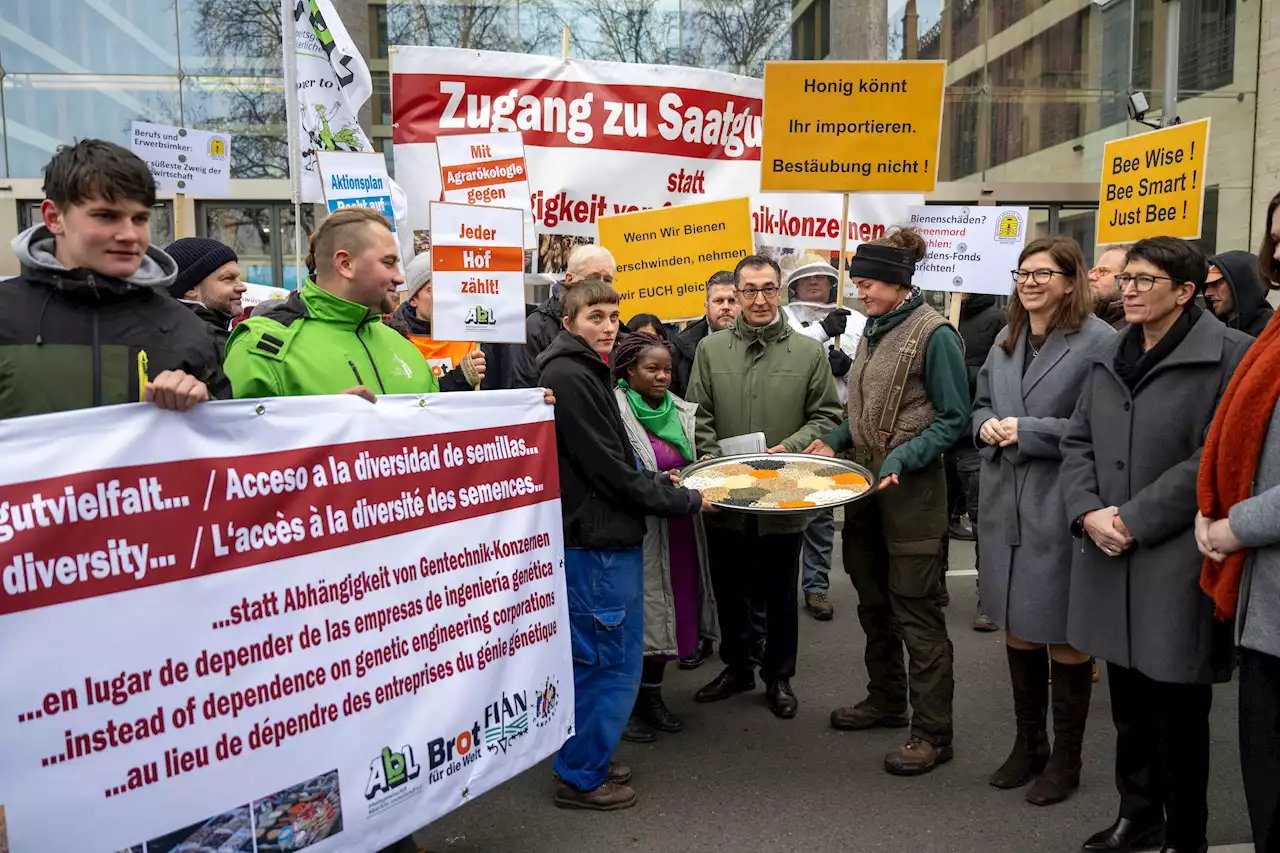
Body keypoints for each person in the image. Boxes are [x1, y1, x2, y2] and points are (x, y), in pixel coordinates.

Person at [1060, 236, 1251, 853]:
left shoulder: (1230, 357)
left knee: (1177, 709)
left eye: (1146, 280)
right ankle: (1137, 813)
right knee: (1128, 705)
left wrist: (1134, 518)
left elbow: (1214, 459)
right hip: (1108, 546)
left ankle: (1184, 834)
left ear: (1186, 292)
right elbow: (1077, 441)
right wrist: (1088, 510)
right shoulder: (1110, 351)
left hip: (1172, 555)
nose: (1131, 288)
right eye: (1129, 278)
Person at [536, 280, 708, 811]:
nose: (609, 325)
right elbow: (608, 471)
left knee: (605, 659)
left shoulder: (588, 369)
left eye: (614, 316)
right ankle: (582, 777)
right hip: (596, 543)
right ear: (569, 321)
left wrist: (663, 486)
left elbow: (621, 463)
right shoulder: (568, 373)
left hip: (606, 536)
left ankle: (588, 755)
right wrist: (685, 502)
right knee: (606, 664)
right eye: (595, 316)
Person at [806, 228, 968, 777]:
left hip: (914, 493)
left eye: (868, 283)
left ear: (899, 285)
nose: (860, 292)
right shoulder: (874, 329)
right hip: (866, 490)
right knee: (872, 601)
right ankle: (886, 700)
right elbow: (866, 412)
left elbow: (953, 419)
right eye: (858, 282)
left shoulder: (935, 333)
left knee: (916, 609)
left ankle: (932, 732)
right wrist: (836, 437)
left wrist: (904, 456)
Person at [971, 237, 1114, 806]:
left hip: (1059, 504)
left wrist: (1026, 431)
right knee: (1017, 623)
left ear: (1070, 278)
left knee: (1064, 631)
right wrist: (985, 426)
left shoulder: (1099, 341)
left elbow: (1100, 424)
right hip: (1004, 501)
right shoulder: (1006, 340)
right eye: (1023, 272)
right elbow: (982, 402)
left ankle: (1067, 758)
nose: (1029, 282)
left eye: (1043, 273)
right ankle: (1027, 743)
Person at [687, 254, 843, 719]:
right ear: (735, 294)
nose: (759, 298)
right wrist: (718, 465)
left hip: (784, 493)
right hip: (728, 492)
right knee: (730, 588)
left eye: (768, 288)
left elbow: (827, 416)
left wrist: (785, 449)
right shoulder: (710, 351)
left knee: (778, 593)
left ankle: (779, 675)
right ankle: (737, 667)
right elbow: (698, 417)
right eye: (749, 290)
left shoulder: (808, 353)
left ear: (781, 292)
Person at [1, 139, 227, 417]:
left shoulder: (188, 329)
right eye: (106, 216)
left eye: (140, 219)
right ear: (53, 217)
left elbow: (229, 443)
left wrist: (204, 406)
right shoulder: (5, 314)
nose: (129, 235)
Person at [225, 207, 479, 398]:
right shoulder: (262, 349)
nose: (399, 278)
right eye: (388, 263)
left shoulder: (402, 346)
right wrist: (328, 428)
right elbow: (238, 458)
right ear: (345, 264)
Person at [1198, 301, 1280, 853]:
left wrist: (1237, 525)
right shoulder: (1275, 334)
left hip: (1260, 555)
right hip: (1266, 601)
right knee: (1265, 769)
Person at [611, 332, 718, 744]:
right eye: (651, 369)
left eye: (667, 370)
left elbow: (690, 460)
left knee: (673, 614)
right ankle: (628, 705)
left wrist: (705, 464)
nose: (661, 377)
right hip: (641, 531)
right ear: (628, 371)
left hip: (681, 528)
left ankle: (652, 696)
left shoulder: (681, 411)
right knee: (641, 618)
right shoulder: (615, 413)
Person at [781, 255, 860, 622]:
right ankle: (778, 587)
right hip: (789, 424)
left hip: (830, 424)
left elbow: (870, 365)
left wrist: (849, 367)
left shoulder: (854, 320)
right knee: (782, 509)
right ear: (793, 286)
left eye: (821, 277)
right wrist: (821, 334)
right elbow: (784, 353)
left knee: (820, 513)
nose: (814, 283)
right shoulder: (784, 321)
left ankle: (816, 586)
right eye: (806, 277)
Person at [945, 292, 1007, 631]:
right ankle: (935, 588)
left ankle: (989, 600)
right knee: (937, 519)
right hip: (942, 436)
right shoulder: (946, 318)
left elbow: (996, 375)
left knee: (984, 523)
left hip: (974, 440)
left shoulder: (998, 320)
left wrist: (958, 369)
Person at [512, 243, 617, 388]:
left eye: (607, 280)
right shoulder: (536, 327)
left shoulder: (614, 327)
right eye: (593, 278)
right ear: (569, 278)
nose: (601, 286)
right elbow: (525, 389)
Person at [393, 254, 488, 390]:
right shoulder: (395, 339)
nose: (441, 297)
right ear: (413, 300)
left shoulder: (471, 333)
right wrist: (460, 377)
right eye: (431, 290)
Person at [166, 237, 246, 355]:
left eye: (239, 278)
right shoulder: (203, 345)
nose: (242, 287)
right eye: (228, 278)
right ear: (191, 289)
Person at [672, 270, 739, 400]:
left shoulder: (760, 341)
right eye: (718, 301)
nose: (726, 307)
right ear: (706, 307)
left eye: (732, 301)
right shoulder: (680, 350)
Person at [1204, 250, 1273, 337]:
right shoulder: (1214, 330)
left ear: (1243, 284)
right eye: (1206, 286)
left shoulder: (1273, 330)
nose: (1207, 293)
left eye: (1217, 283)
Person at [1089, 244, 1129, 330]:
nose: (1091, 277)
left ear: (1125, 280)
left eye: (1103, 271)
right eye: (1092, 271)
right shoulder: (1079, 318)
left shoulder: (1132, 329)